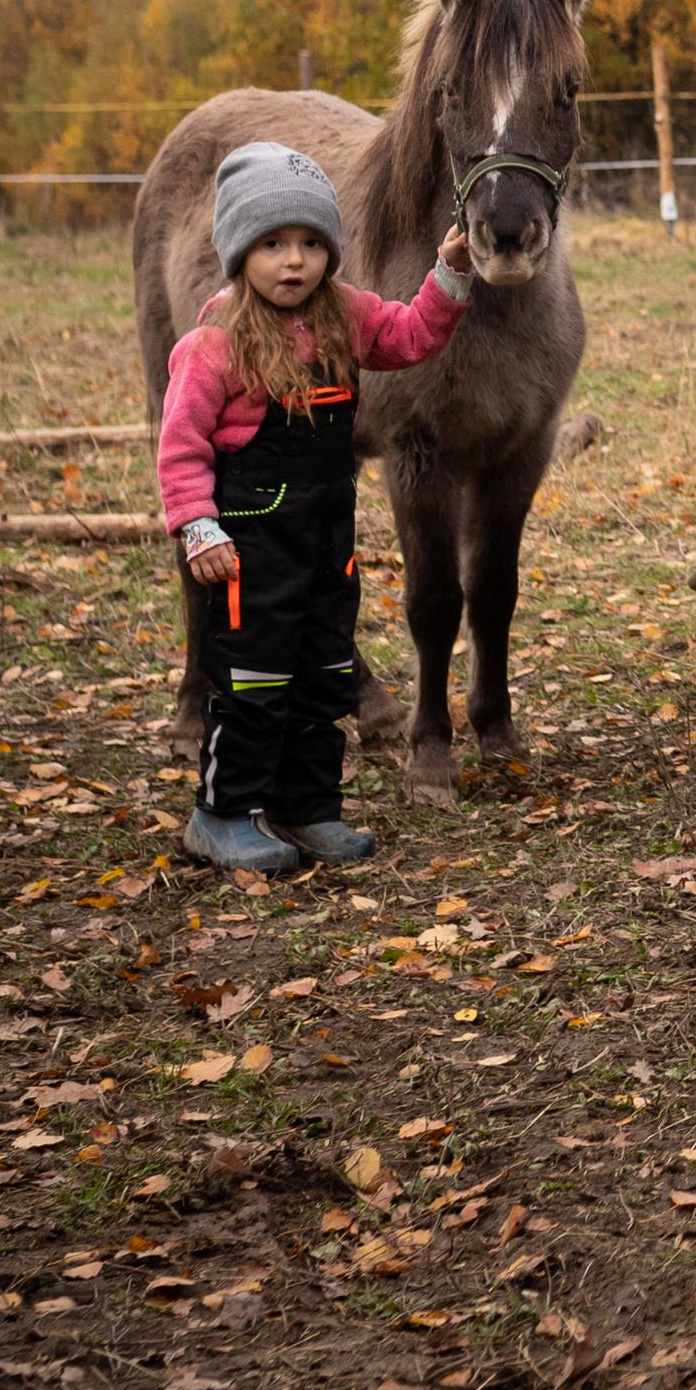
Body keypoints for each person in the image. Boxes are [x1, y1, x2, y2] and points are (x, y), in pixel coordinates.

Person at [156, 141, 475, 876]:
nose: (293, 261)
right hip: (248, 549)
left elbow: (410, 334)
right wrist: (196, 526)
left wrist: (449, 276)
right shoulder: (214, 344)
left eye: (308, 243)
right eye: (272, 244)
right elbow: (181, 448)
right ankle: (224, 813)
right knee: (252, 683)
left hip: (325, 540)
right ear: (239, 252)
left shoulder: (347, 317)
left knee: (321, 674)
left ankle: (307, 807)